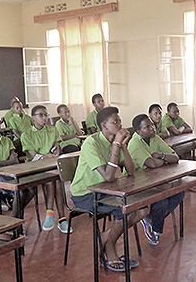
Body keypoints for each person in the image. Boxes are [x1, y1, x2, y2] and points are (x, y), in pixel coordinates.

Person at [70, 107, 148, 271]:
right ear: (104, 126)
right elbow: (108, 176)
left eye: (119, 121)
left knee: (142, 209)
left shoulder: (115, 142)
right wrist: (117, 145)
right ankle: (110, 246)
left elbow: (131, 171)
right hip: (85, 193)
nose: (120, 125)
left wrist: (124, 147)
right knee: (122, 210)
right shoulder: (92, 143)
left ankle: (104, 239)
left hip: (106, 191)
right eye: (115, 122)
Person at [128, 114, 185, 245]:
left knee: (179, 193)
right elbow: (151, 164)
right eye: (147, 127)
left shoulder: (155, 138)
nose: (152, 128)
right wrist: (163, 161)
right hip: (136, 183)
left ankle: (150, 219)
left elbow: (175, 157)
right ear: (138, 132)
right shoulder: (135, 143)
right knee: (162, 201)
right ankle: (154, 225)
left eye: (152, 125)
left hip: (155, 179)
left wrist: (161, 155)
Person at [20, 105, 69, 233]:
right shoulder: (26, 134)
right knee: (51, 178)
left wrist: (55, 151)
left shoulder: (52, 130)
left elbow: (56, 147)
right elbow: (34, 156)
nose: (44, 118)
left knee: (57, 179)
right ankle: (55, 215)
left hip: (51, 164)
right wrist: (47, 156)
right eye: (40, 115)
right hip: (35, 167)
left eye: (46, 115)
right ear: (33, 118)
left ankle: (57, 217)